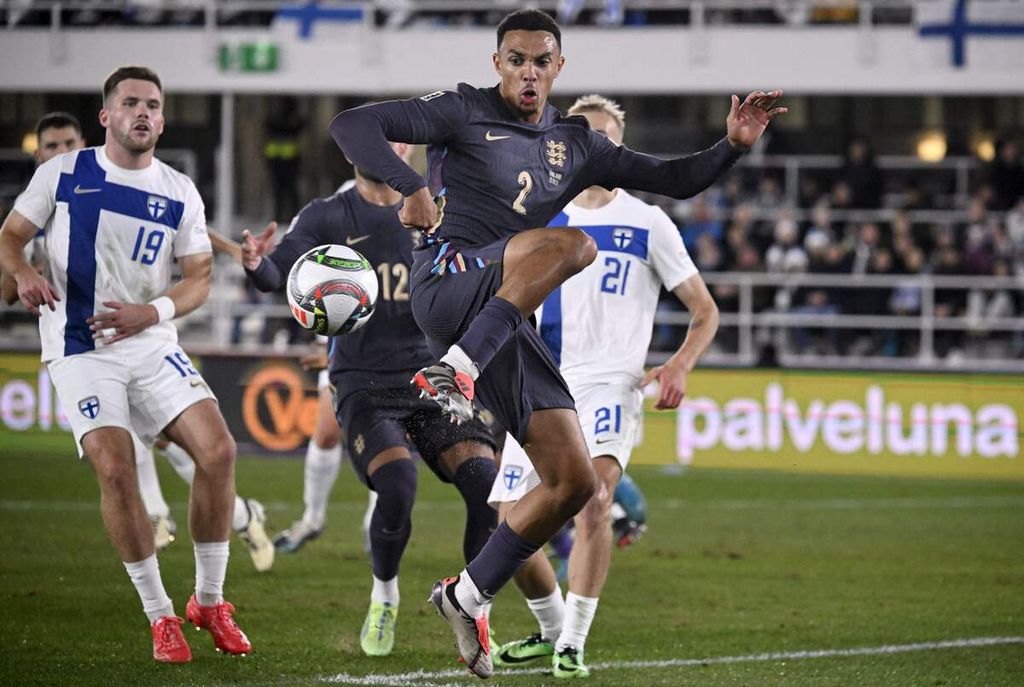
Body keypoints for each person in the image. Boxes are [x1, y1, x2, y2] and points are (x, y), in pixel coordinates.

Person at [329, 9, 784, 677]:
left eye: (542, 60)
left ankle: (467, 594)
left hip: (508, 322)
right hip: (450, 286)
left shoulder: (576, 146)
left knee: (575, 484)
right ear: (498, 64)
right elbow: (353, 125)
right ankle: (457, 366)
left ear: (559, 68)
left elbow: (675, 176)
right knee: (575, 243)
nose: (529, 71)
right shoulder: (461, 110)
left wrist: (735, 145)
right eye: (516, 58)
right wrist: (412, 184)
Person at [0, 66, 251, 663]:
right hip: (80, 347)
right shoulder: (62, 172)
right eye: (131, 103)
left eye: (154, 105)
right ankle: (161, 616)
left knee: (218, 452)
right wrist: (26, 271)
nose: (144, 113)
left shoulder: (179, 188)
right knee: (115, 467)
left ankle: (209, 601)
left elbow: (198, 280)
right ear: (106, 116)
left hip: (149, 338)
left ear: (162, 120)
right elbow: (9, 235)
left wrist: (152, 311)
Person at [485, 94, 719, 677]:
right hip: (539, 380)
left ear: (618, 148)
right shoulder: (540, 216)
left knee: (594, 502)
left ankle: (574, 644)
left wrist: (680, 365)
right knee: (511, 525)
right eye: (585, 134)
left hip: (613, 382)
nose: (597, 145)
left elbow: (704, 310)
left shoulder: (649, 221)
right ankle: (550, 629)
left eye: (607, 137)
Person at [240, 143, 499, 658]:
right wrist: (256, 266)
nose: (382, 149)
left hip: (432, 377)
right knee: (397, 484)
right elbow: (278, 277)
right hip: (362, 379)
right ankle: (385, 596)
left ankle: (474, 610)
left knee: (486, 487)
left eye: (392, 140)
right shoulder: (328, 214)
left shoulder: (440, 210)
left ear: (408, 150)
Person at [272, 336, 378, 555]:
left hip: (387, 350)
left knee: (382, 434)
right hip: (342, 344)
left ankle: (375, 521)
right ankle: (313, 519)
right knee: (327, 433)